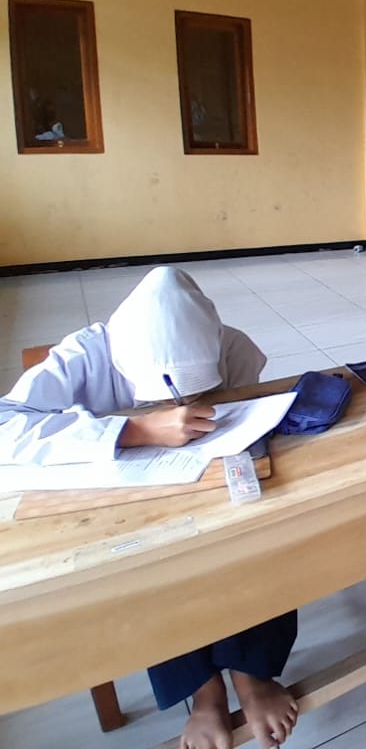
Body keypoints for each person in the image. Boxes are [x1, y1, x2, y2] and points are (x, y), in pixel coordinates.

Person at [0, 267, 298, 749]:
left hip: (205, 487)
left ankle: (251, 675)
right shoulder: (86, 355)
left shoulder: (233, 346)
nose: (184, 403)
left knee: (254, 529)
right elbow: (5, 426)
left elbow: (245, 423)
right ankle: (204, 694)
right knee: (148, 563)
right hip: (120, 509)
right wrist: (134, 430)